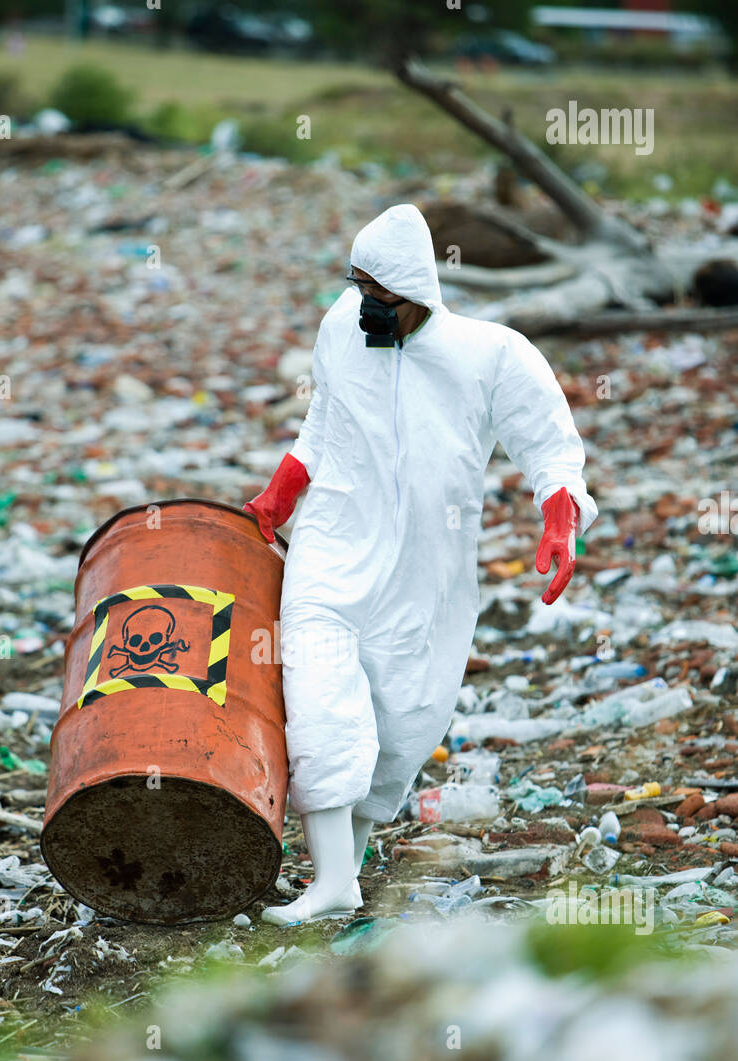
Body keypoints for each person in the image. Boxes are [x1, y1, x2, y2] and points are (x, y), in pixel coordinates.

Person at [244, 203, 597, 926]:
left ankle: (349, 868)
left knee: (398, 712)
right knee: (318, 696)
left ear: (418, 294)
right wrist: (279, 494)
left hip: (425, 565)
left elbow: (549, 447)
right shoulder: (340, 326)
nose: (366, 307)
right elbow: (324, 419)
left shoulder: (492, 354)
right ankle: (330, 881)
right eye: (359, 288)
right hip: (335, 539)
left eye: (383, 297)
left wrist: (560, 519)